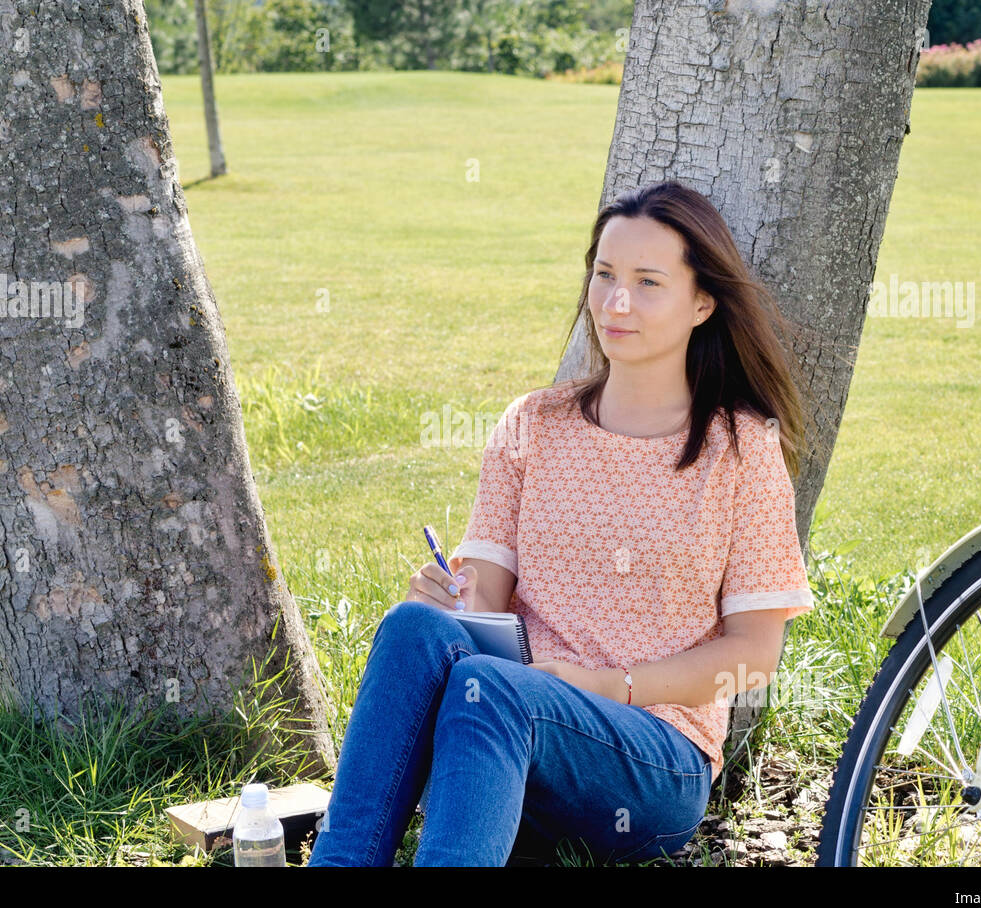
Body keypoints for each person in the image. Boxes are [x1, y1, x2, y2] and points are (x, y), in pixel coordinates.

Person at [306, 180, 816, 867]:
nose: (616, 302)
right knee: (412, 628)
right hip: (502, 725)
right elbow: (483, 592)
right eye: (604, 275)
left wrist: (613, 685)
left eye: (647, 282)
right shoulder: (533, 424)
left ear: (702, 302)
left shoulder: (740, 447)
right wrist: (454, 603)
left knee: (494, 691)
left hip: (652, 757)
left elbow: (754, 657)